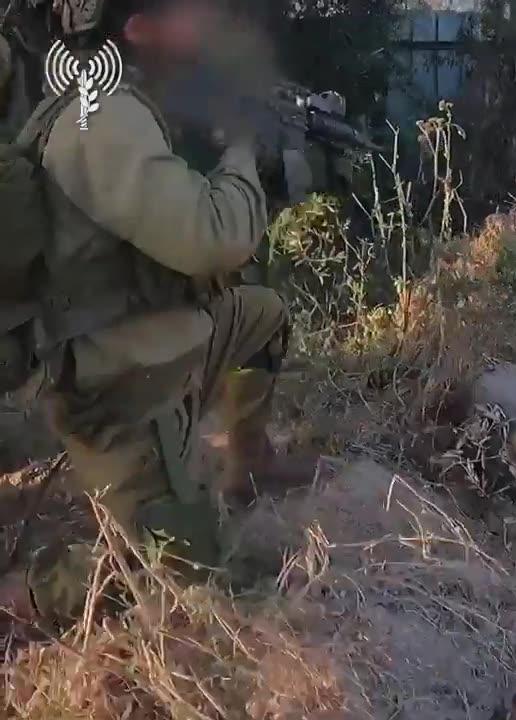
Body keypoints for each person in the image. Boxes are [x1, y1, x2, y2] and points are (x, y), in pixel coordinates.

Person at [0, 0, 319, 629]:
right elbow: (214, 238)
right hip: (117, 390)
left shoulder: (126, 96)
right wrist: (243, 154)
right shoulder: (102, 118)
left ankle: (247, 461)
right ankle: (27, 595)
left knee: (264, 317)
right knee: (196, 575)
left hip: (168, 344)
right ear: (139, 27)